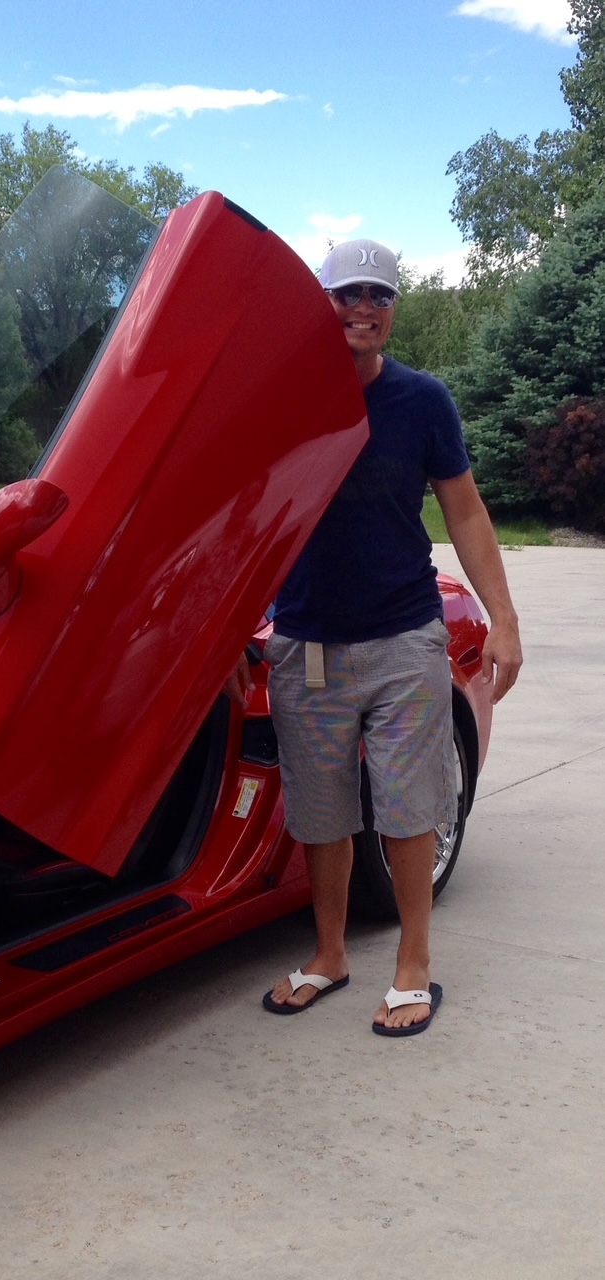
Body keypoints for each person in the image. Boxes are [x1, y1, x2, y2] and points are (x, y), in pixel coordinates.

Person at [228, 238, 523, 1036]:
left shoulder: (423, 401)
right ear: (320, 304)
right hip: (306, 646)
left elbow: (466, 512)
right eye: (347, 294)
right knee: (321, 811)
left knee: (406, 804)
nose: (363, 308)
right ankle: (329, 956)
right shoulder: (280, 404)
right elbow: (245, 525)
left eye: (379, 295)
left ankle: (413, 966)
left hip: (403, 640)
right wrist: (224, 635)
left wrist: (503, 618)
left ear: (393, 309)